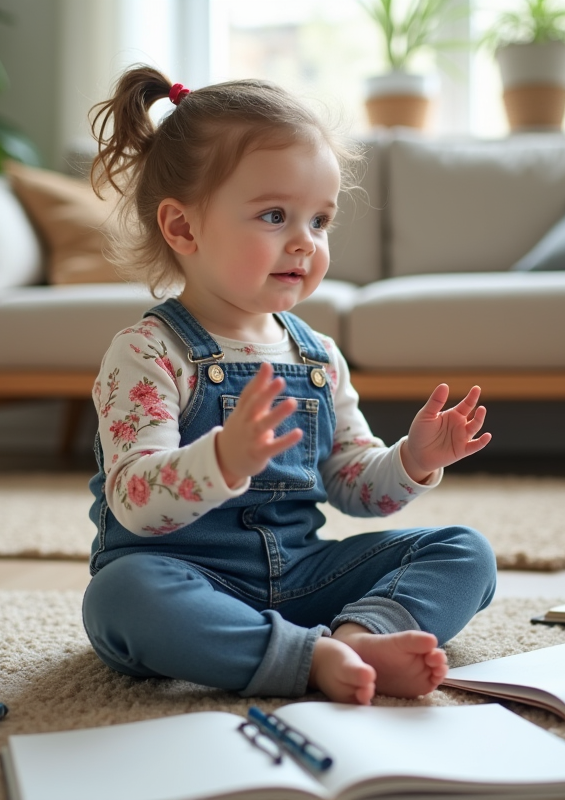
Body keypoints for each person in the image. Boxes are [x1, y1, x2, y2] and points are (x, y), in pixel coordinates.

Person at [81, 66, 496, 704]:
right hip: (181, 577)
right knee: (121, 599)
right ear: (184, 228)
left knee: (465, 552)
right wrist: (221, 459)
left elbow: (351, 487)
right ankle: (307, 658)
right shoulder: (146, 352)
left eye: (320, 221)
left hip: (301, 577)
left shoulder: (319, 356)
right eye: (276, 216)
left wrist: (412, 461)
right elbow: (136, 500)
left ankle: (359, 637)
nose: (305, 243)